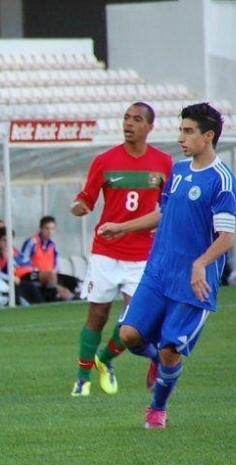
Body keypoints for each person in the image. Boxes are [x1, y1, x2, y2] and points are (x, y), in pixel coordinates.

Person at [99, 102, 236, 429]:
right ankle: (156, 361)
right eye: (180, 130)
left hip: (193, 283)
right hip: (159, 271)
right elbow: (163, 212)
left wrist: (200, 264)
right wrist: (124, 226)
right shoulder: (178, 171)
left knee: (172, 349)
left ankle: (157, 409)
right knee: (129, 334)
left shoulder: (222, 181)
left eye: (188, 131)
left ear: (208, 136)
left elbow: (226, 237)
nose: (181, 137)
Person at [69, 102, 172, 397]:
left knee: (136, 323)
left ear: (149, 127)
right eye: (126, 118)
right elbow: (86, 198)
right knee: (97, 315)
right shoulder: (105, 160)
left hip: (142, 254)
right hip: (106, 250)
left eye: (137, 119)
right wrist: (79, 206)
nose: (129, 123)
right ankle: (82, 378)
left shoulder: (164, 163)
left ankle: (105, 359)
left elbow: (167, 208)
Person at [19, 215, 76, 302]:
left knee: (71, 280)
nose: (50, 231)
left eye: (52, 229)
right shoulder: (32, 241)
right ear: (41, 228)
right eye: (47, 228)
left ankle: (70, 297)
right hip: (30, 273)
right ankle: (52, 300)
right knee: (51, 276)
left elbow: (55, 263)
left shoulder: (52, 245)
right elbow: (23, 261)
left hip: (48, 273)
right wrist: (38, 270)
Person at [0, 226, 44, 306]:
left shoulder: (8, 251)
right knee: (15, 288)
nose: (7, 243)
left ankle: (40, 306)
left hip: (5, 279)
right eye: (4, 240)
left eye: (10, 240)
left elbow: (14, 267)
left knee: (30, 287)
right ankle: (19, 306)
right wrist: (11, 278)